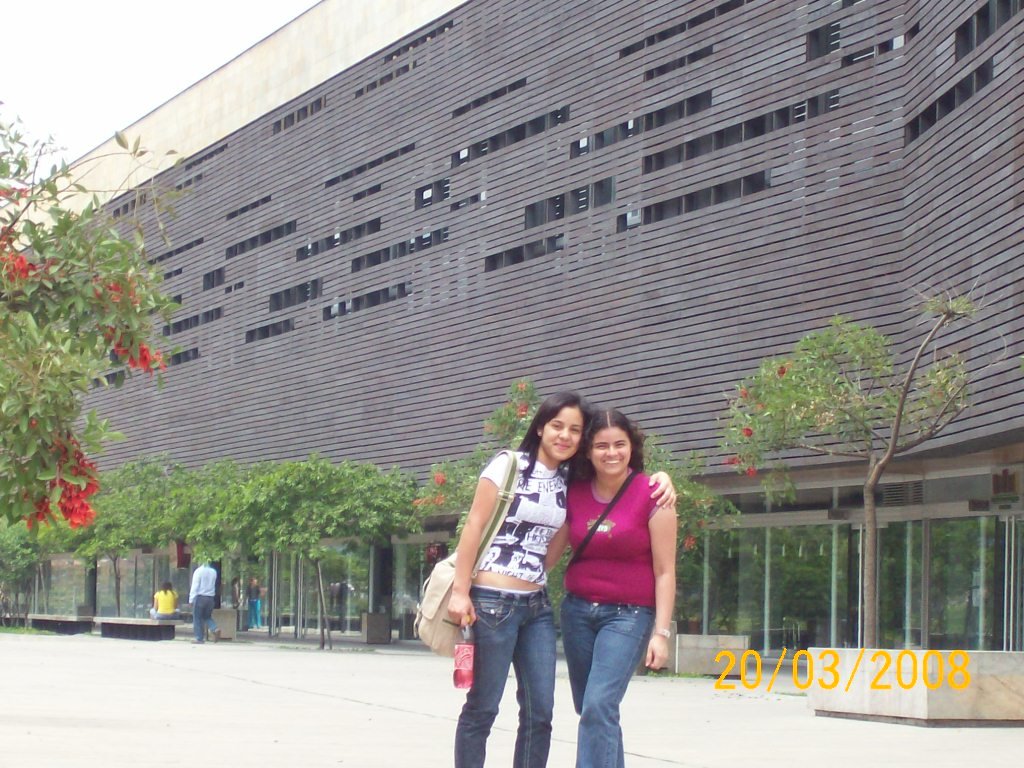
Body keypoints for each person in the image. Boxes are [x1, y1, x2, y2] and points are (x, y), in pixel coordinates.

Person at [447, 392, 675, 768]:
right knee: (484, 707)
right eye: (557, 426)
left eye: (574, 430)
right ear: (540, 427)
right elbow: (474, 525)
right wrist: (460, 591)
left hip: (536, 606)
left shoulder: (569, 479)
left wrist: (662, 477)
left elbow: (623, 485)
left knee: (543, 713)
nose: (565, 436)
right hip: (491, 602)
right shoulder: (509, 466)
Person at [547, 409, 678, 768]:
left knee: (598, 705)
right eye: (602, 445)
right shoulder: (573, 492)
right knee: (592, 710)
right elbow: (550, 557)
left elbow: (665, 571)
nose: (611, 453)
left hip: (629, 616)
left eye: (619, 444)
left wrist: (661, 634)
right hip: (576, 612)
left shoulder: (653, 494)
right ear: (588, 450)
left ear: (631, 448)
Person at [189, 561, 221, 644]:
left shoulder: (198, 571)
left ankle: (199, 638)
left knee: (197, 618)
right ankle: (215, 628)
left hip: (200, 597)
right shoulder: (213, 572)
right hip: (210, 598)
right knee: (207, 617)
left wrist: (191, 599)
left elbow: (195, 585)